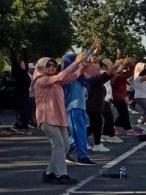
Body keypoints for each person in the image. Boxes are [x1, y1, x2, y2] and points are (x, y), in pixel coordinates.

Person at [33, 40, 99, 184]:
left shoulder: (54, 81)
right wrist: (76, 62)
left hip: (58, 117)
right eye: (47, 65)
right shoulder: (40, 80)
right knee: (58, 144)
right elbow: (62, 76)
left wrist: (84, 66)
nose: (51, 67)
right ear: (41, 67)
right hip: (46, 117)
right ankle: (62, 175)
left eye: (53, 65)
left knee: (65, 145)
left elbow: (72, 77)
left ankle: (49, 172)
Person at [60, 51, 101, 165]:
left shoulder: (79, 77)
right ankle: (82, 156)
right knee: (80, 132)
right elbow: (79, 69)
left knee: (77, 133)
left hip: (80, 106)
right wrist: (91, 50)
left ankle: (63, 153)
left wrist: (93, 51)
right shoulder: (68, 76)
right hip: (73, 107)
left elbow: (82, 68)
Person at [12, 59, 33, 133]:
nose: (24, 65)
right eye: (22, 64)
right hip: (19, 95)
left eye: (24, 64)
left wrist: (24, 48)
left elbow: (26, 59)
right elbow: (14, 62)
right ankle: (20, 125)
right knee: (22, 111)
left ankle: (24, 125)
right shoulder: (17, 73)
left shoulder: (25, 72)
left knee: (26, 111)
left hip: (25, 94)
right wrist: (12, 50)